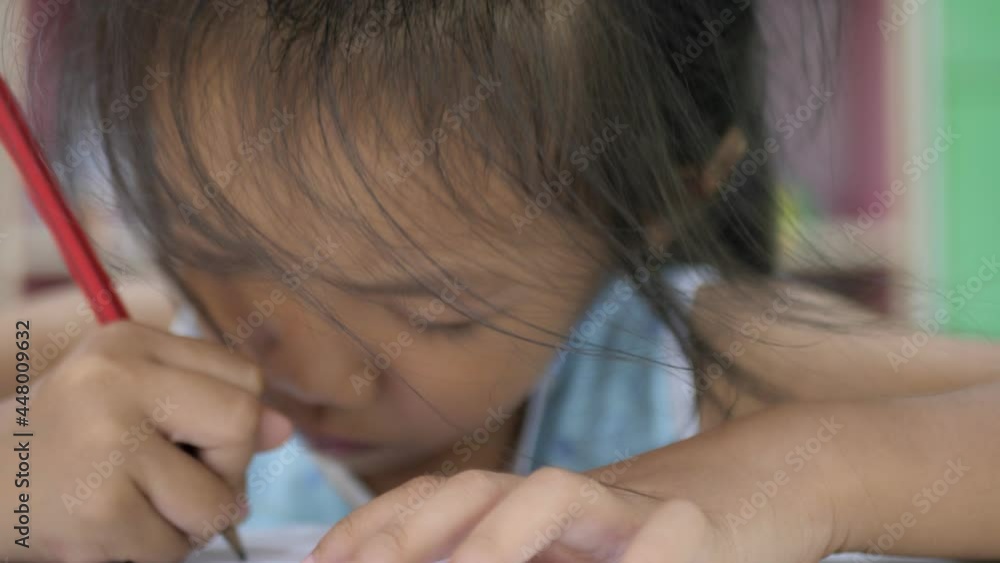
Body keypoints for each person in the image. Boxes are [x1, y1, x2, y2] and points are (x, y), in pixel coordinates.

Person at [3, 1, 999, 561]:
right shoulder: (117, 351)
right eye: (221, 255)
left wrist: (798, 476)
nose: (319, 374)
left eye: (433, 311)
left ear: (651, 204)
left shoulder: (699, 365)